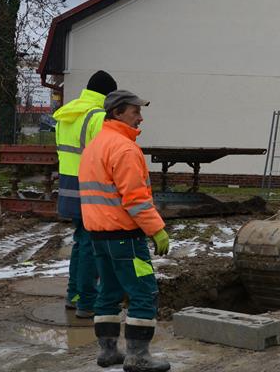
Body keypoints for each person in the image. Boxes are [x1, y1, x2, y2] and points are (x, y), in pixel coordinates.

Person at [79, 90, 170, 371]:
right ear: (117, 113)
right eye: (135, 112)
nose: (140, 118)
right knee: (144, 292)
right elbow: (135, 199)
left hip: (98, 236)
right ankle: (138, 357)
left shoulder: (95, 146)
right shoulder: (125, 149)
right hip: (125, 238)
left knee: (108, 291)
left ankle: (108, 352)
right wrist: (157, 230)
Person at [53, 70, 117, 318]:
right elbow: (104, 156)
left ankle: (75, 294)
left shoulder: (67, 113)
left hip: (68, 187)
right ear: (107, 94)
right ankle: (88, 301)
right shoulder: (97, 116)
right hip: (90, 188)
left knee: (82, 242)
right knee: (91, 244)